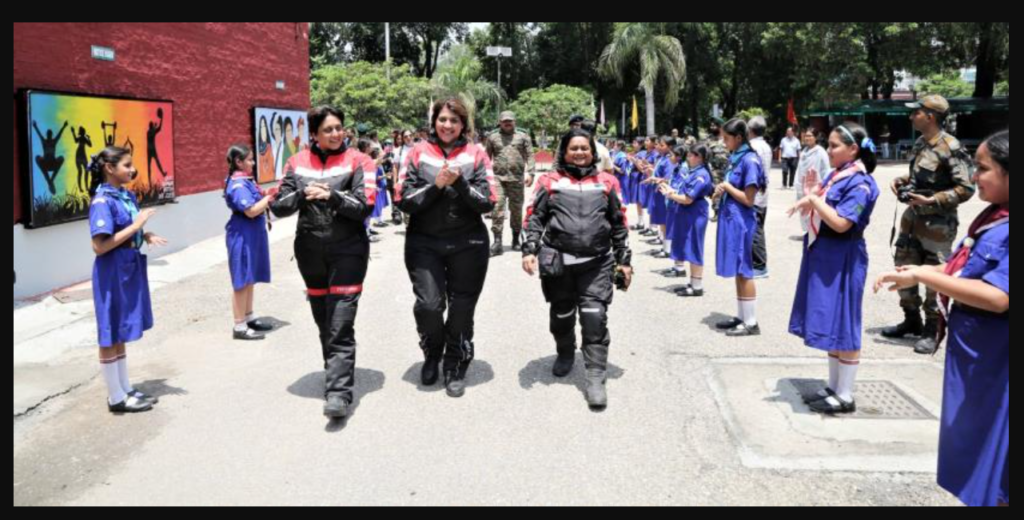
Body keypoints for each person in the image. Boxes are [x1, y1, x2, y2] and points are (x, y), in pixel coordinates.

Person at [875, 130, 1008, 508]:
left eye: (983, 169)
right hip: (980, 361)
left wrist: (924, 275)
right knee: (983, 454)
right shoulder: (996, 216)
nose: (975, 175)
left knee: (998, 460)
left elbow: (999, 297)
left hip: (997, 363)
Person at [270, 106, 377, 420]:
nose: (335, 134)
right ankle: (336, 373)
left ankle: (339, 394)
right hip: (310, 250)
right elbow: (278, 206)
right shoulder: (296, 162)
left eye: (339, 128)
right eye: (327, 130)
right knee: (323, 320)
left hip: (349, 250)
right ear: (314, 134)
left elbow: (365, 206)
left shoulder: (361, 160)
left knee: (340, 322)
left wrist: (332, 195)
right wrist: (303, 193)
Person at [522, 128, 633, 410]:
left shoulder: (607, 182)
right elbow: (535, 217)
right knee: (561, 315)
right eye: (574, 148)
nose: (580, 152)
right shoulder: (549, 181)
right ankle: (565, 352)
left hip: (596, 263)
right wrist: (530, 249)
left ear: (593, 152)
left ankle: (595, 375)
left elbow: (619, 222)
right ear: (564, 151)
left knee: (594, 316)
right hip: (558, 263)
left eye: (585, 148)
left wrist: (624, 260)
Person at [395, 98, 497, 399]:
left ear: (463, 124)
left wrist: (461, 183)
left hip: (469, 242)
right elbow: (403, 199)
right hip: (424, 241)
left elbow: (487, 201)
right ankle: (432, 351)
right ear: (434, 122)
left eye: (454, 120)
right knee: (429, 306)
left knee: (462, 309)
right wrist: (436, 185)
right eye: (442, 119)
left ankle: (455, 362)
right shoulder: (417, 152)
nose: (448, 125)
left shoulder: (476, 153)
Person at [787, 123, 880, 415]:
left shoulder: (860, 182)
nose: (829, 150)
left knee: (845, 321)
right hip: (825, 252)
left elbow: (841, 222)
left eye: (836, 145)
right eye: (829, 144)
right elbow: (816, 208)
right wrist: (811, 194)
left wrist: (814, 198)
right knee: (831, 321)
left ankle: (845, 394)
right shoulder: (837, 175)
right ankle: (833, 386)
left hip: (844, 255)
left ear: (853, 149)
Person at [883, 94, 976, 355]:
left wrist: (932, 199)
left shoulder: (951, 146)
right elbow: (922, 174)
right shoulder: (922, 142)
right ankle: (911, 320)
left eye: (917, 112)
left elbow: (966, 188)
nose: (912, 116)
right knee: (903, 268)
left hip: (937, 226)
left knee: (934, 276)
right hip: (912, 220)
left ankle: (933, 329)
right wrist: (903, 180)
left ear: (931, 116)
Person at [87, 147, 168, 414]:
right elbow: (99, 246)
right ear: (109, 168)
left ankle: (124, 388)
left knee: (121, 329)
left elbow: (127, 228)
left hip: (128, 265)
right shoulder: (102, 201)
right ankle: (115, 397)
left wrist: (144, 235)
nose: (132, 170)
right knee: (110, 331)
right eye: (127, 165)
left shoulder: (124, 195)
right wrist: (135, 227)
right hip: (112, 269)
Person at [713, 119, 766, 337]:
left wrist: (726, 187)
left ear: (738, 138)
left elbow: (748, 198)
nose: (723, 142)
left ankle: (751, 322)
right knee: (738, 269)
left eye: (726, 138)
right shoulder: (737, 158)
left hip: (743, 222)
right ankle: (741, 316)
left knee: (745, 271)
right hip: (732, 220)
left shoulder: (750, 160)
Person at [223, 144, 276, 341]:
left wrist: (266, 195)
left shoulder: (245, 181)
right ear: (239, 162)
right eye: (250, 160)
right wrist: (270, 197)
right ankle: (239, 325)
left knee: (250, 277)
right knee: (242, 281)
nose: (253, 163)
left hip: (252, 233)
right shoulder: (237, 184)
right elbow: (251, 210)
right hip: (242, 234)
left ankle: (248, 316)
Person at [662, 144, 714, 297]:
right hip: (689, 214)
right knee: (689, 246)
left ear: (699, 158)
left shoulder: (701, 174)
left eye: (691, 155)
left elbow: (688, 199)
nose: (688, 158)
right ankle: (692, 282)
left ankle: (697, 286)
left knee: (695, 248)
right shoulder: (694, 172)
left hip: (695, 213)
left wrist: (670, 194)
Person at [485, 111, 535, 257]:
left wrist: (531, 173)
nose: (507, 123)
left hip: (517, 178)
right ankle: (497, 242)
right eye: (504, 121)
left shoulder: (523, 136)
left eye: (510, 121)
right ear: (499, 122)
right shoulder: (493, 137)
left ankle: (515, 240)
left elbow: (530, 155)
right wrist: (485, 177)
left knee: (516, 210)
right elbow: (486, 158)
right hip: (498, 179)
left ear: (514, 122)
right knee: (497, 209)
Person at [748, 116, 772, 279]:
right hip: (761, 194)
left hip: (755, 194)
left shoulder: (753, 146)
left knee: (756, 230)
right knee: (758, 227)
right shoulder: (765, 146)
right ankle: (756, 262)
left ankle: (759, 265)